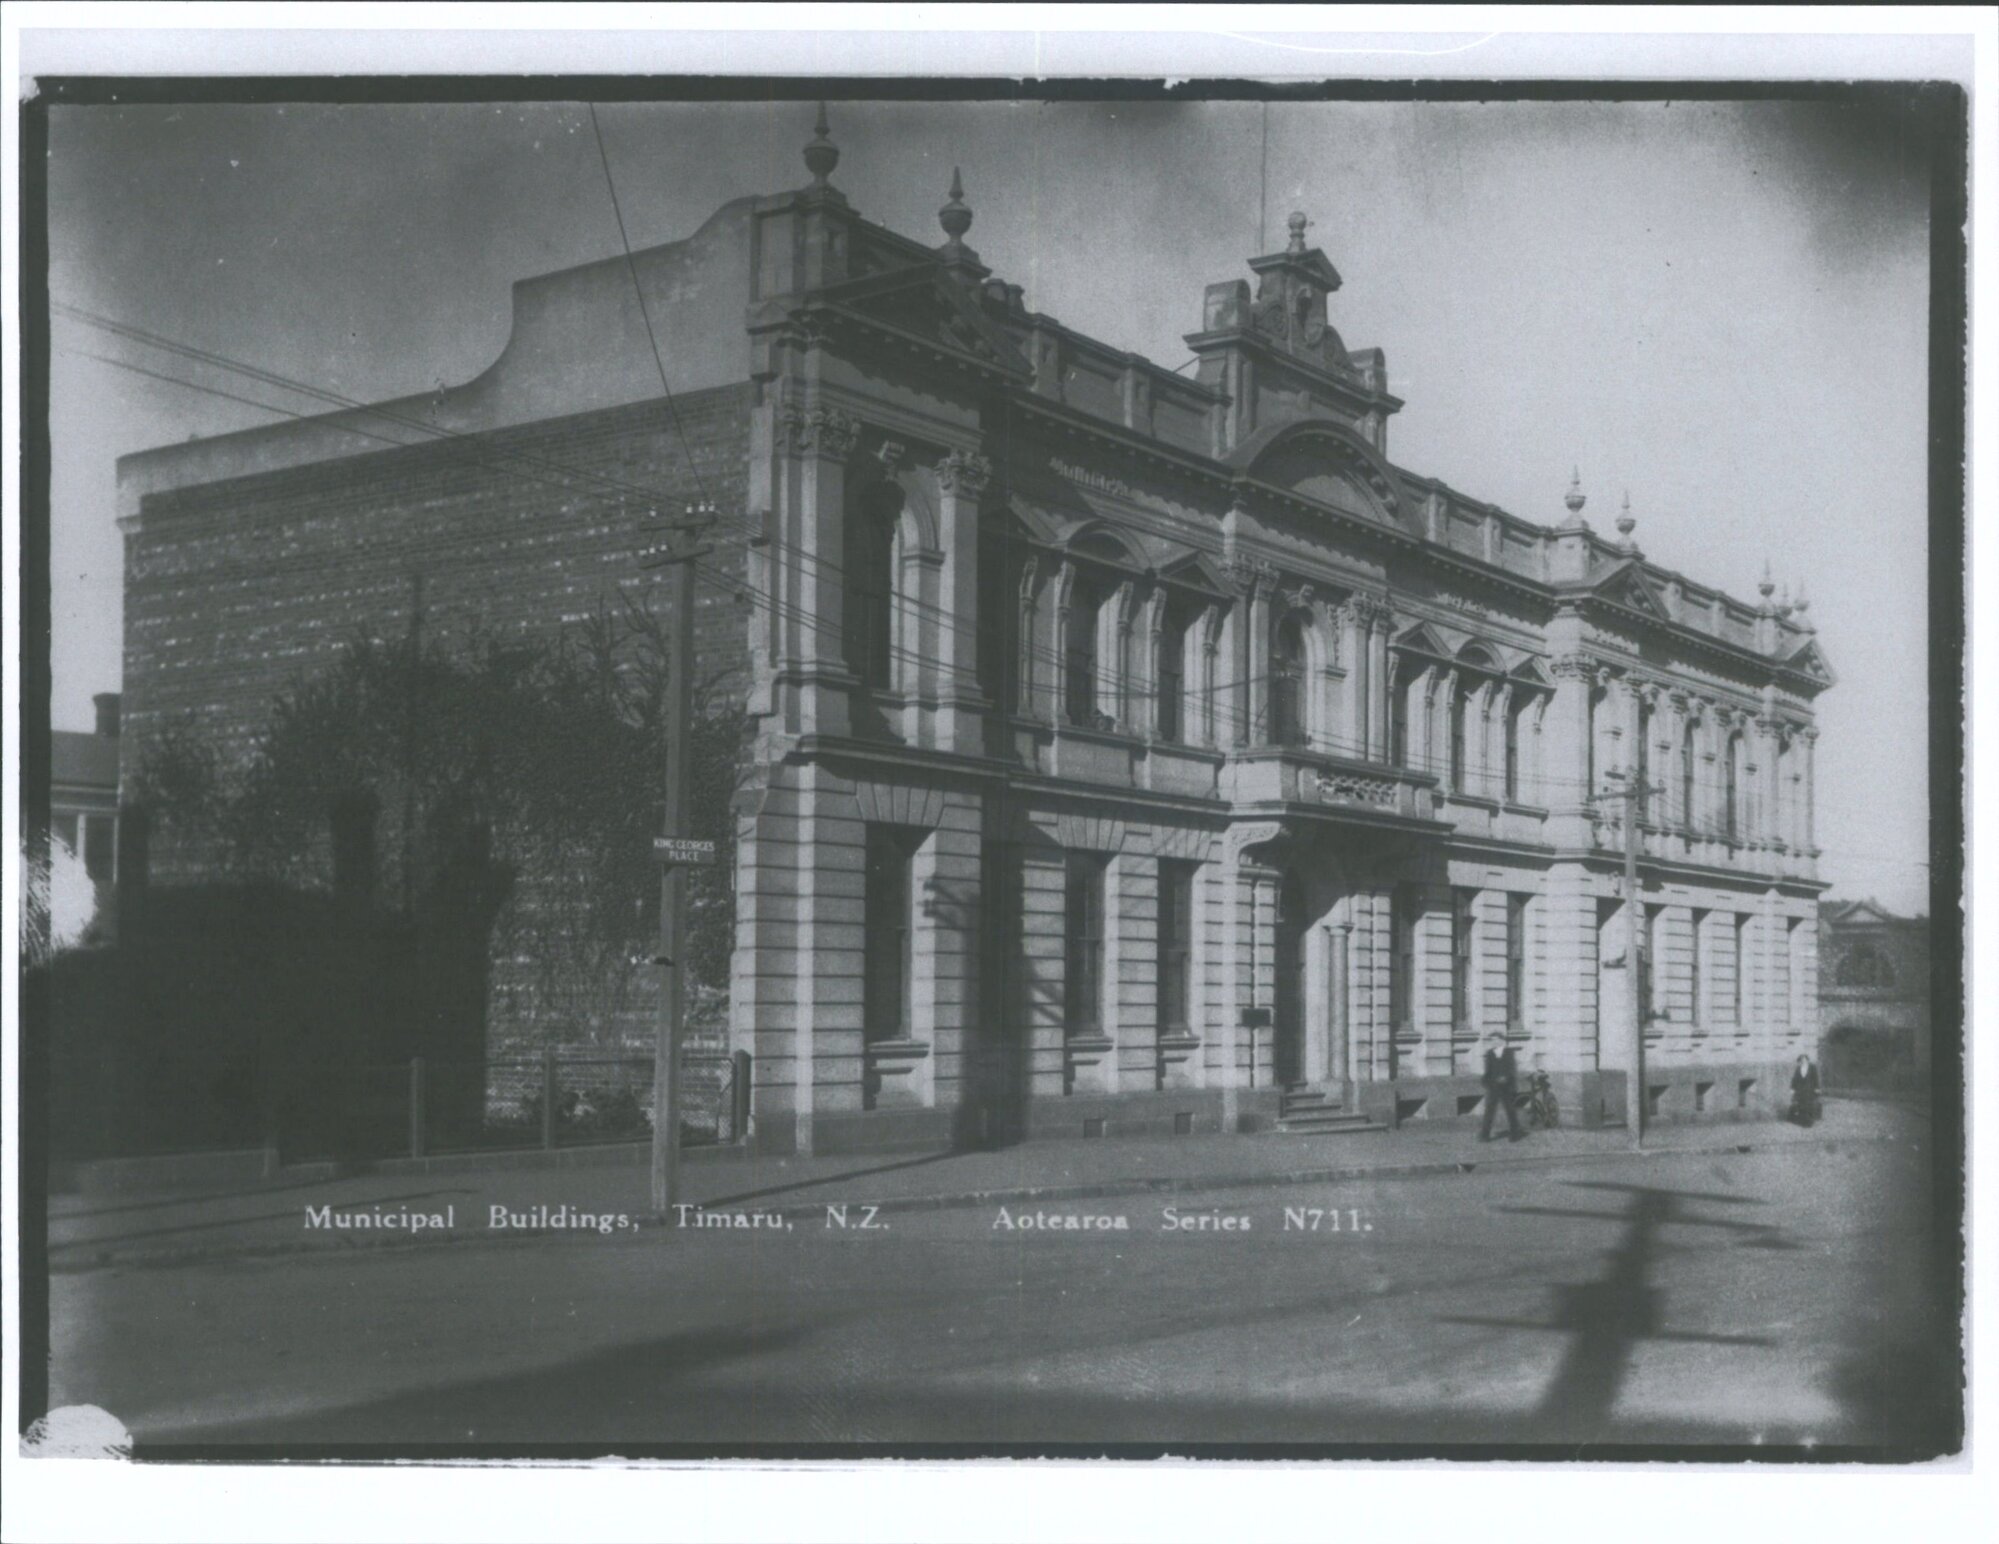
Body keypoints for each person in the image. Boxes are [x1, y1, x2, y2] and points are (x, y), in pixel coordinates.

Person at [1480, 1029, 1525, 1142]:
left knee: (1510, 1110)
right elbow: (1488, 1070)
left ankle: (1515, 1134)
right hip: (1494, 1087)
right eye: (1492, 1040)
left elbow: (1511, 1068)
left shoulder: (1509, 1052)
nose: (1493, 1042)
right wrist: (1487, 1082)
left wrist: (1507, 1078)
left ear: (1501, 1041)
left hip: (1506, 1087)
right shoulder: (1490, 1053)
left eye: (1495, 1040)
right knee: (1489, 1111)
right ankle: (1485, 1135)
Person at [1790, 1052, 1821, 1128]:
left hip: (1810, 1090)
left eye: (1804, 1059)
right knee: (1801, 1106)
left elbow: (1816, 1078)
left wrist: (1817, 1088)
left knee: (1809, 1106)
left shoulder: (1812, 1067)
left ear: (1807, 1060)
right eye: (1801, 1060)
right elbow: (1795, 1079)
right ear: (1800, 1061)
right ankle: (1803, 1122)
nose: (1803, 1061)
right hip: (1800, 1091)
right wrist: (1792, 1088)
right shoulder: (1798, 1068)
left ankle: (1809, 1122)